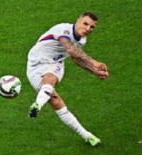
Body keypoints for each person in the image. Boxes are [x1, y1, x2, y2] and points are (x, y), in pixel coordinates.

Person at [26, 12, 109, 146]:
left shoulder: (82, 40)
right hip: (35, 65)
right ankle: (39, 103)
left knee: (51, 81)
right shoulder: (63, 29)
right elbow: (70, 49)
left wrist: (94, 70)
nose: (88, 29)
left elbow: (76, 58)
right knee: (56, 102)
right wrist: (94, 62)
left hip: (55, 64)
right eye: (85, 24)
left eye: (92, 27)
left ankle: (86, 135)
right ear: (77, 21)